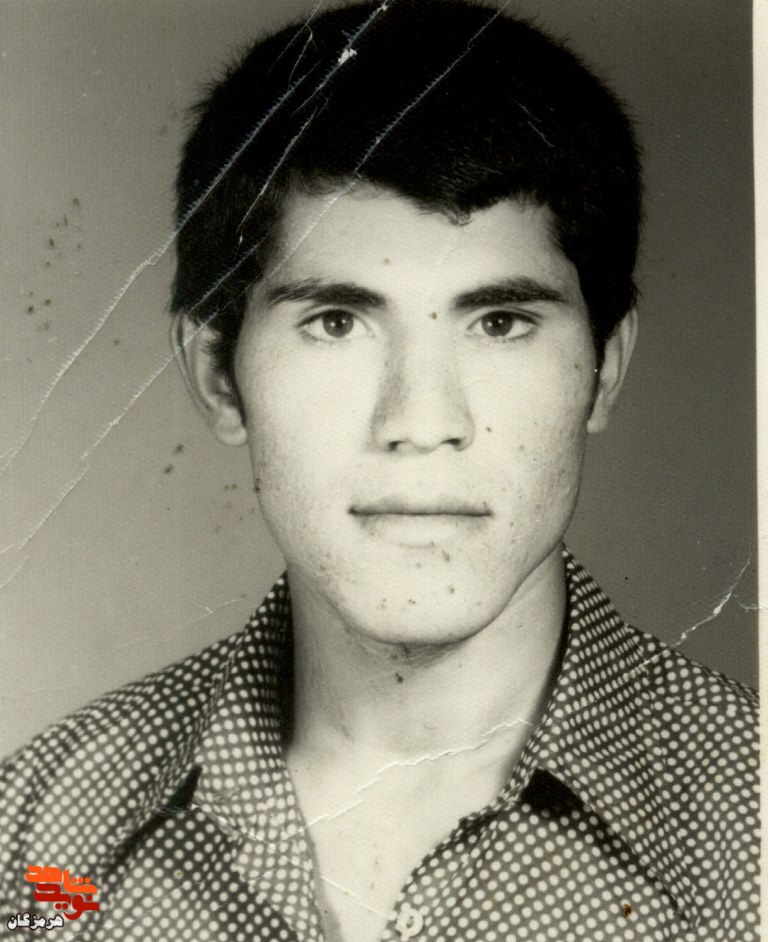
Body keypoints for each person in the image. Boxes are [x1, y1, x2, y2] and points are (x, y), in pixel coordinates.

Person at [0, 2, 758, 940]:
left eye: (501, 323)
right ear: (220, 377)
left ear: (602, 369)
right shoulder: (37, 841)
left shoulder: (748, 832)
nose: (421, 422)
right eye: (337, 323)